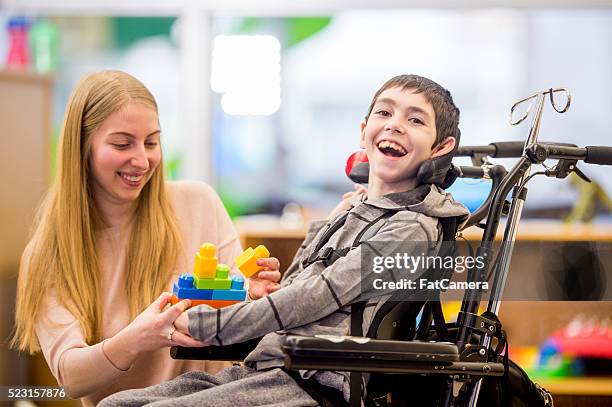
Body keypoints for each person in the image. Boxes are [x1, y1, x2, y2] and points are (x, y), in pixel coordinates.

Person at [99, 74, 470, 406]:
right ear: (363, 130)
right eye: (384, 113)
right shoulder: (349, 213)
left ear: (440, 147)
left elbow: (315, 297)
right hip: (267, 369)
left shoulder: (411, 228)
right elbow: (290, 290)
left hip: (312, 384)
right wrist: (331, 225)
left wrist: (214, 325)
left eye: (415, 120)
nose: (396, 126)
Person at [10, 70, 281, 407]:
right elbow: (71, 376)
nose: (142, 159)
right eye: (122, 144)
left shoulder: (199, 203)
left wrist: (253, 299)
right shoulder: (49, 254)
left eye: (151, 142)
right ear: (83, 148)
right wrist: (137, 338)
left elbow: (241, 324)